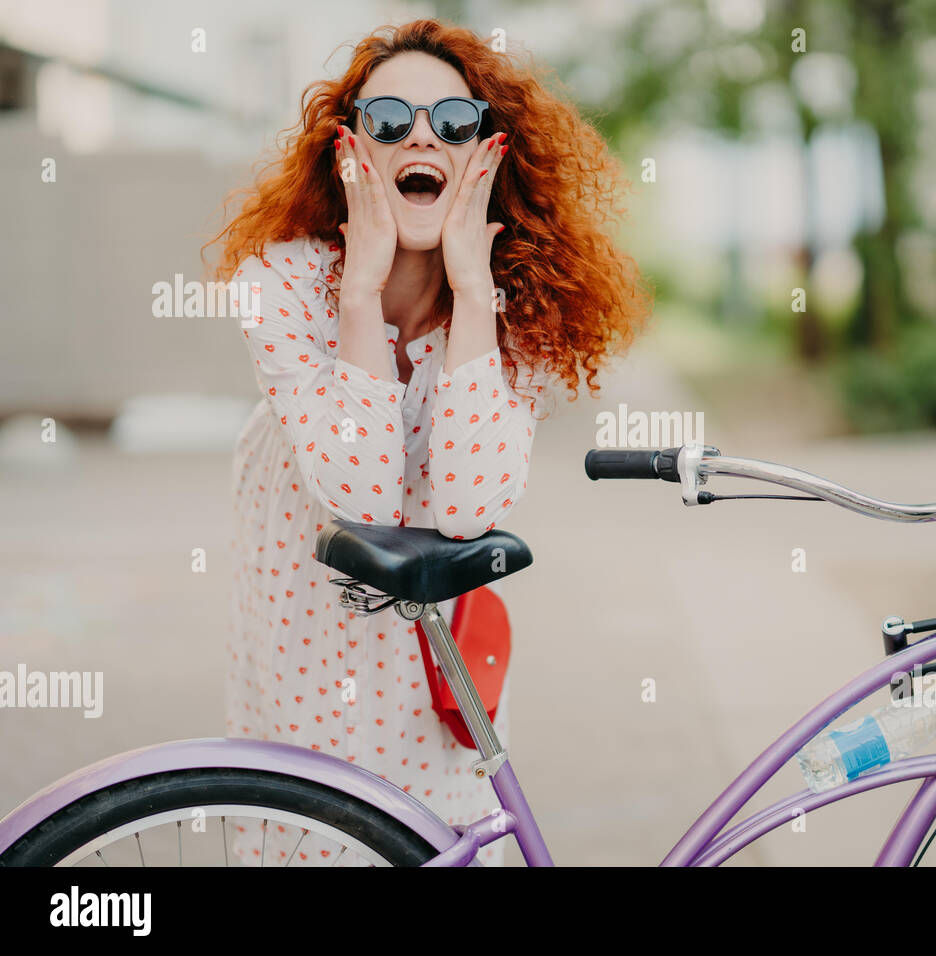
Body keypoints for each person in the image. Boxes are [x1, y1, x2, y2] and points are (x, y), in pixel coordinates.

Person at [208, 18, 650, 865]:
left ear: (484, 155)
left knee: (441, 834)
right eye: (389, 121)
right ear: (352, 154)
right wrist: (363, 292)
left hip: (432, 641)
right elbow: (362, 497)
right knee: (317, 832)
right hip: (305, 622)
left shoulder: (518, 307)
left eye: (453, 122)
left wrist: (473, 295)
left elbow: (469, 505)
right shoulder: (286, 281)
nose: (421, 136)